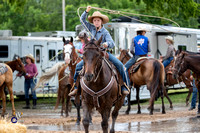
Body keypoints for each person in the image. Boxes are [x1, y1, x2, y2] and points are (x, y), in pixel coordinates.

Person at [68, 6, 130, 96]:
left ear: (101, 21)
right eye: (94, 20)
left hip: (103, 53)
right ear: (93, 22)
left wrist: (106, 44)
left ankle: (124, 86)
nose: (96, 22)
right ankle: (76, 87)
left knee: (120, 65)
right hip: (92, 54)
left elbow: (112, 43)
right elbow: (82, 20)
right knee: (78, 67)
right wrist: (86, 11)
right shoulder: (91, 28)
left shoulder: (105, 32)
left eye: (98, 20)